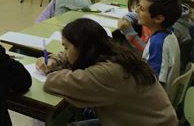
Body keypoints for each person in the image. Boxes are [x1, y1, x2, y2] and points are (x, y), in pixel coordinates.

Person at [36, 18, 177, 125]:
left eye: (67, 48)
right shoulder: (113, 53)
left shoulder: (107, 72)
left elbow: (53, 81)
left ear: (82, 47)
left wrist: (52, 71)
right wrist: (54, 61)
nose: (65, 53)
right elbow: (70, 57)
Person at [137, 0, 182, 91]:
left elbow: (153, 84)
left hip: (153, 102)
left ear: (158, 19)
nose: (137, 10)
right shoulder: (170, 34)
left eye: (142, 9)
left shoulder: (157, 43)